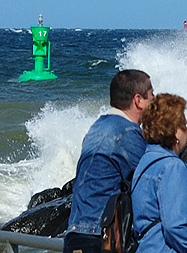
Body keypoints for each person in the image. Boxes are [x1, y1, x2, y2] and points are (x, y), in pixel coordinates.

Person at [64, 69, 154, 253]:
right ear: (138, 100)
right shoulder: (127, 133)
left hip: (76, 234)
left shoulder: (98, 127)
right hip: (100, 239)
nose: (155, 100)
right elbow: (153, 179)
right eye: (152, 94)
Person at [132, 93, 187, 253]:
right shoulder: (172, 167)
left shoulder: (145, 162)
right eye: (184, 125)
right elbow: (175, 227)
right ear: (175, 131)